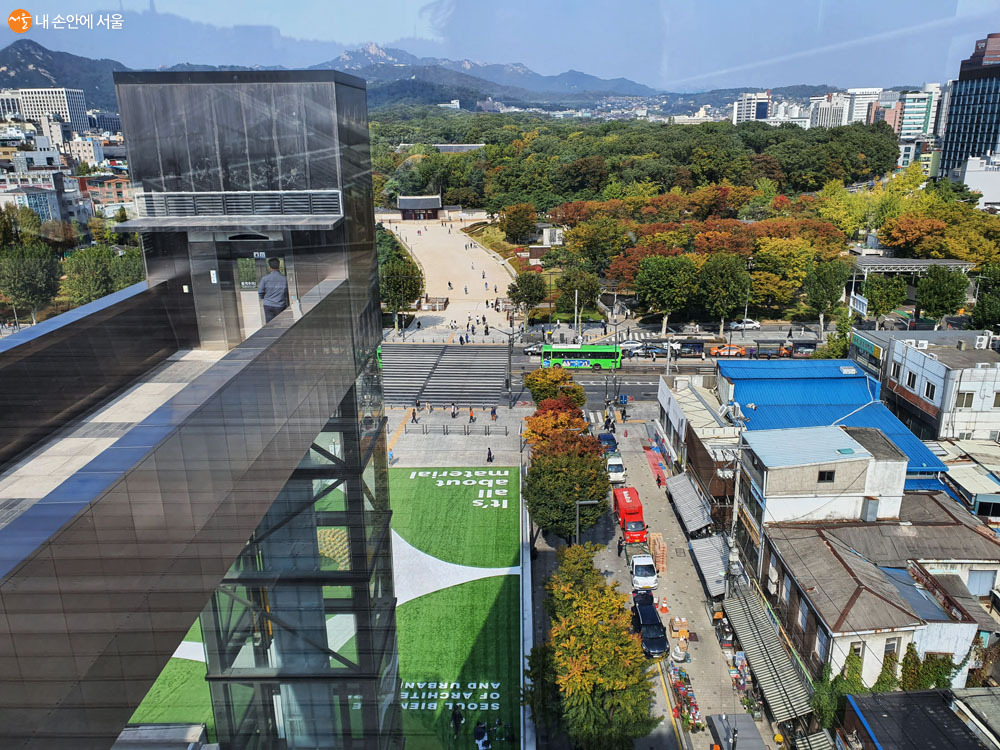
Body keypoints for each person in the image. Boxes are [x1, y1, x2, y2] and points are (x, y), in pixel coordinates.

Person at [258, 258, 289, 323]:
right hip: (280, 305)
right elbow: (286, 292)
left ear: (270, 267)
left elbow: (260, 291)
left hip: (268, 305)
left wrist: (264, 298)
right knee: (281, 323)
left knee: (270, 324)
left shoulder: (265, 279)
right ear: (279, 266)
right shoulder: (284, 279)